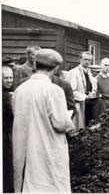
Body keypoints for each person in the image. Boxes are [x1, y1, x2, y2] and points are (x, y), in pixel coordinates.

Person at [12, 49, 75, 192]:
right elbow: (60, 124)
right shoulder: (53, 90)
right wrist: (68, 121)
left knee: (28, 182)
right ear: (56, 68)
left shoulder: (20, 89)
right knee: (49, 182)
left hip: (24, 146)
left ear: (35, 65)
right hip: (47, 146)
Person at [66, 51, 97, 132]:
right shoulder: (73, 73)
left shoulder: (89, 73)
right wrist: (85, 97)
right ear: (80, 59)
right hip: (79, 104)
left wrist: (92, 94)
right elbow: (71, 91)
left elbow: (92, 87)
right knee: (79, 128)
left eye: (90, 60)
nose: (87, 62)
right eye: (85, 59)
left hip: (89, 104)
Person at [3, 66, 14, 193]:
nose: (9, 80)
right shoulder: (5, 96)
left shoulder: (8, 93)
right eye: (6, 78)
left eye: (11, 77)